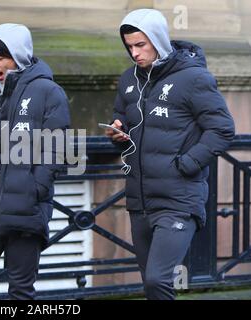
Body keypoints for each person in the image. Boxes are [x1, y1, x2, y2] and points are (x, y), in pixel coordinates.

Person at [104, 9, 235, 300]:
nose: (134, 53)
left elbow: (223, 129)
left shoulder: (194, 78)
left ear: (158, 40)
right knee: (151, 285)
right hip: (139, 199)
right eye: (129, 47)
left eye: (141, 45)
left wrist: (187, 164)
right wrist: (117, 131)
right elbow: (123, 119)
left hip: (179, 199)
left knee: (157, 280)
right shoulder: (129, 79)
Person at [0, 23, 71, 300]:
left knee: (20, 290)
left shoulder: (48, 91)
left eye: (1, 57)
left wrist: (36, 189)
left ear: (18, 54)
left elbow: (58, 149)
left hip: (26, 207)